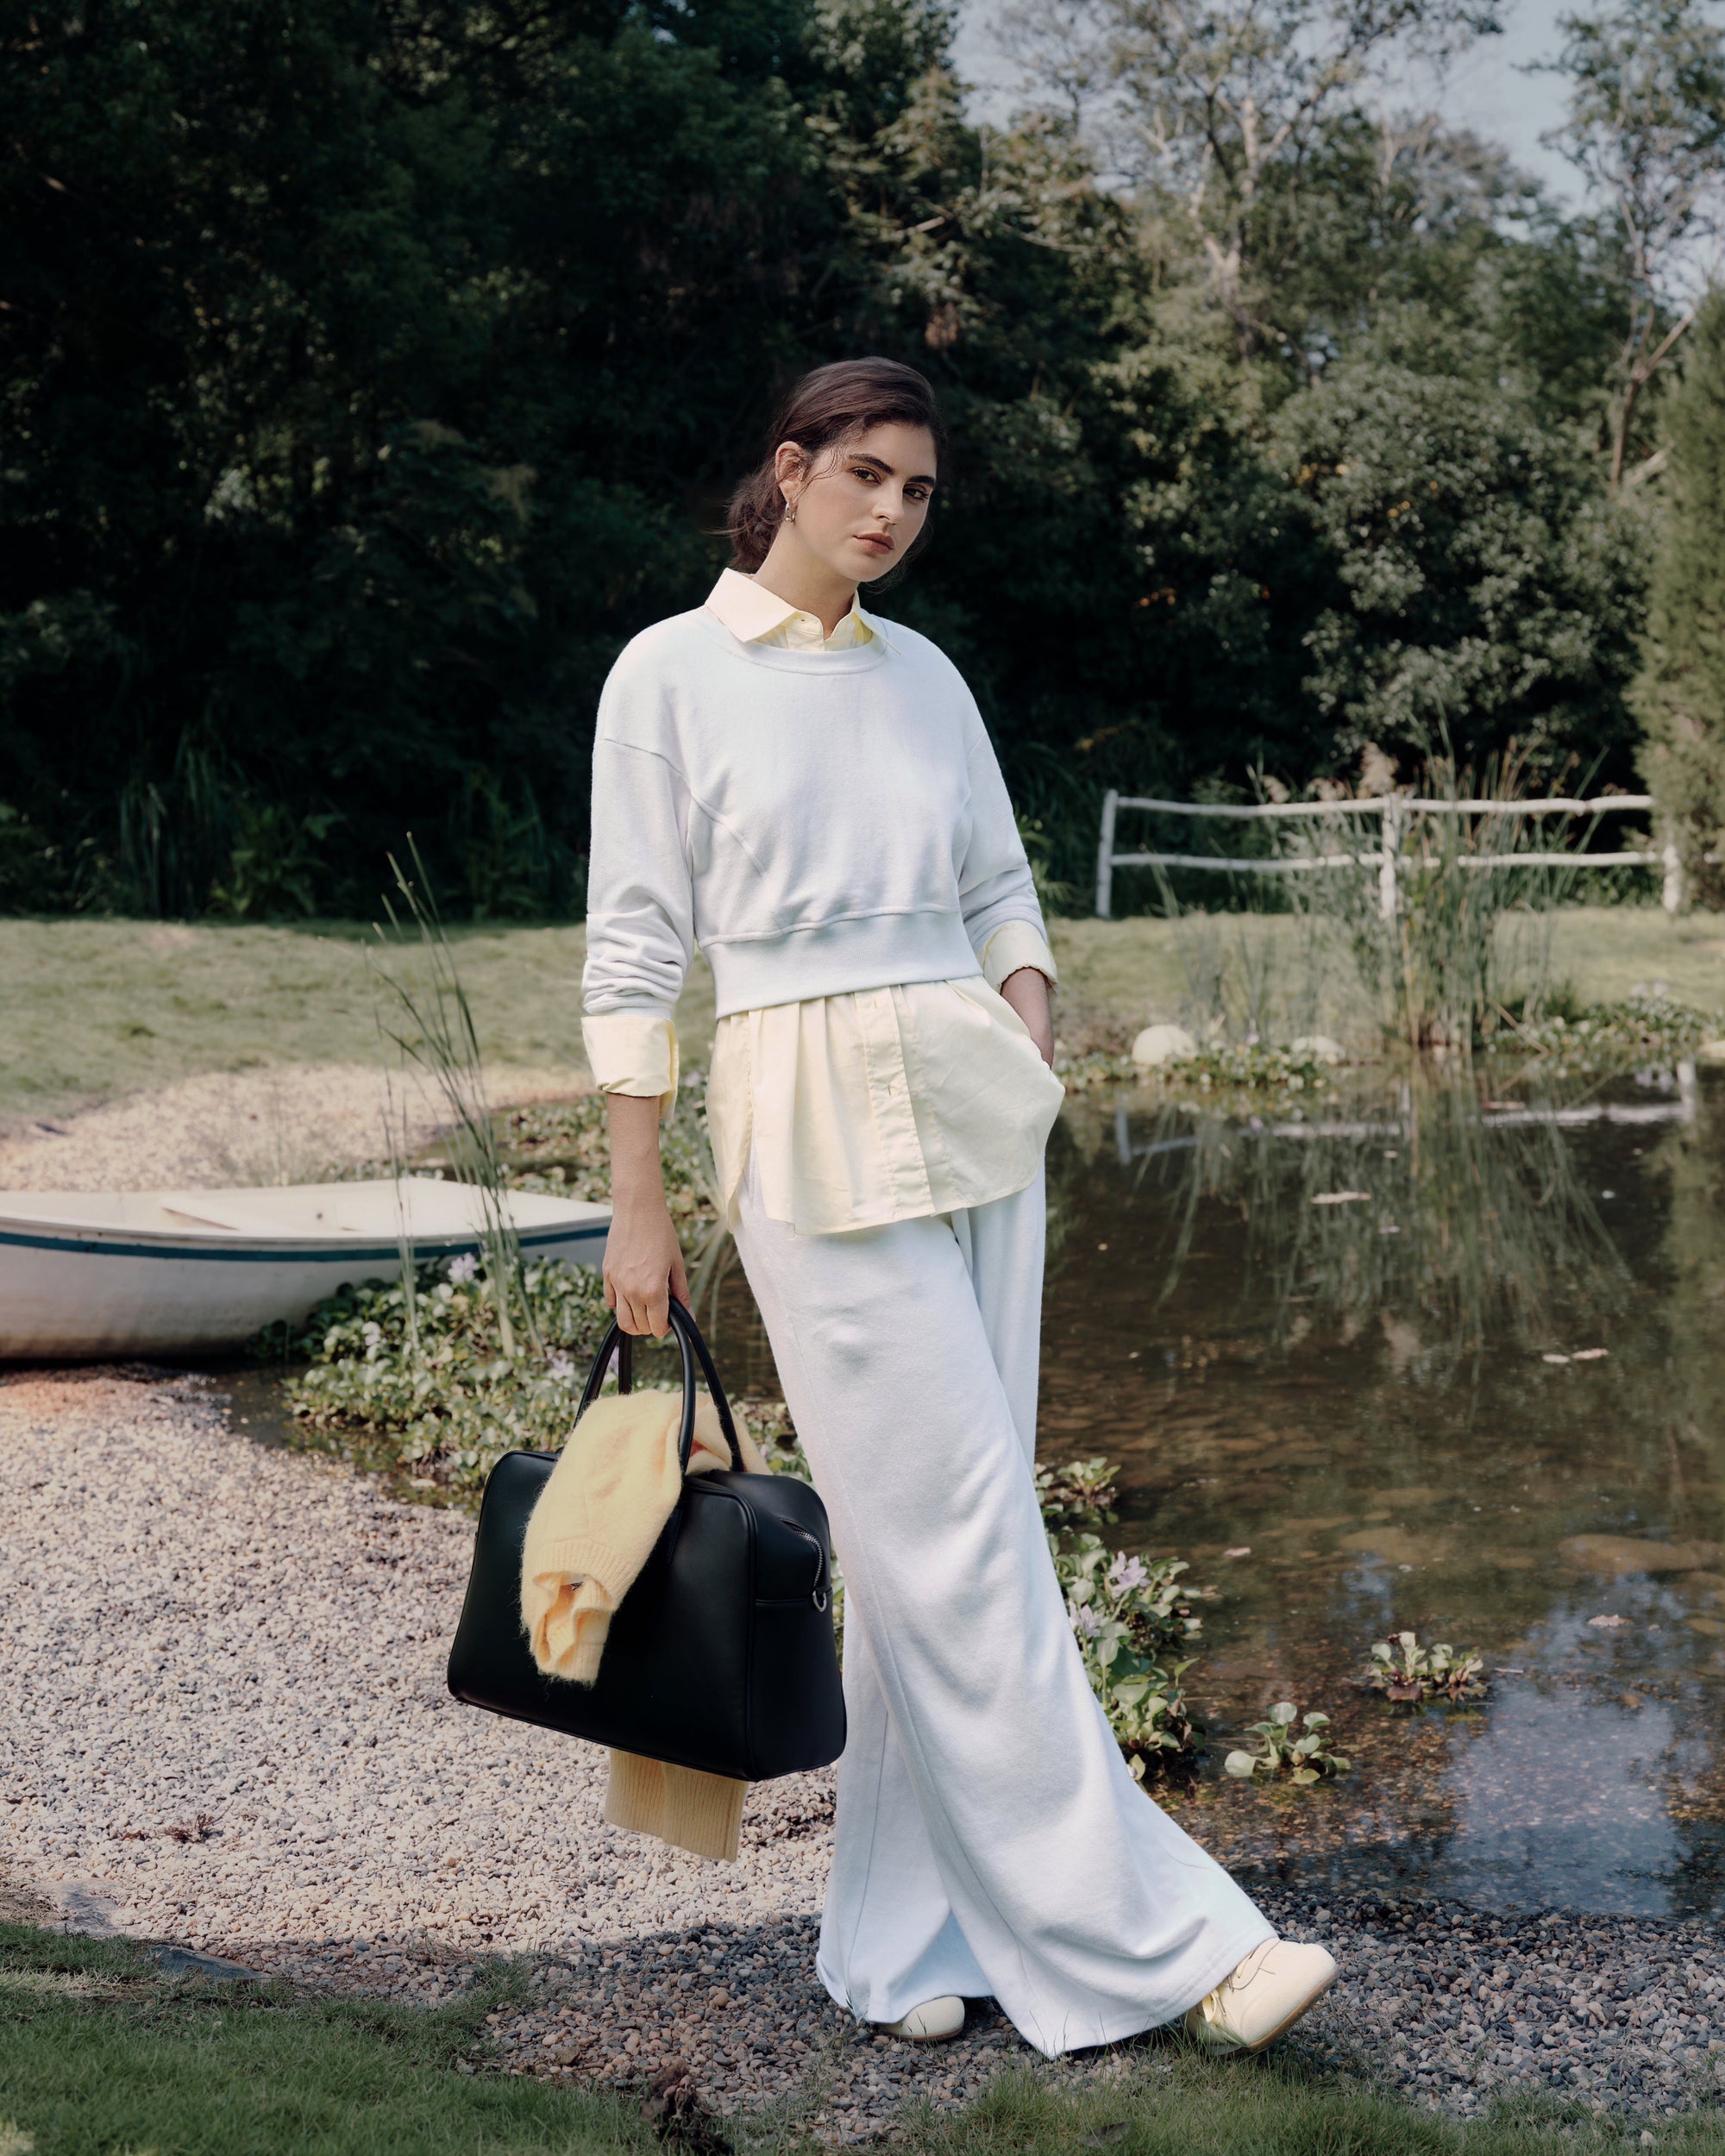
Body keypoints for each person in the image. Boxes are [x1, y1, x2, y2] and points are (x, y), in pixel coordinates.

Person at [581, 356, 1338, 2058]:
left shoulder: (923, 674)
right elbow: (634, 949)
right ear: (785, 469)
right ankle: (1169, 1944)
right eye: (861, 473)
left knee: (943, 1542)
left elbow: (1002, 881)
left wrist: (1031, 1029)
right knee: (961, 1540)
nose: (888, 512)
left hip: (976, 1125)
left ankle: (894, 1930)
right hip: (798, 1120)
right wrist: (639, 1196)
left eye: (917, 490)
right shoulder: (670, 676)